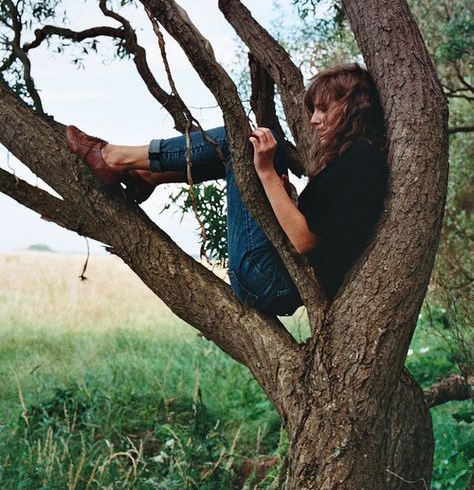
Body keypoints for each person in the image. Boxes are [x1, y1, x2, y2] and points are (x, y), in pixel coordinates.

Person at [66, 63, 388, 316]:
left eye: (324, 109)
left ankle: (114, 157)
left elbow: (304, 241)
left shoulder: (362, 161)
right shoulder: (353, 161)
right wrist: (283, 192)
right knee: (247, 143)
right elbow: (319, 229)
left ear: (351, 110)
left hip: (268, 280)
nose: (314, 120)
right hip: (275, 276)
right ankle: (148, 177)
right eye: (312, 110)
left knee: (239, 142)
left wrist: (265, 173)